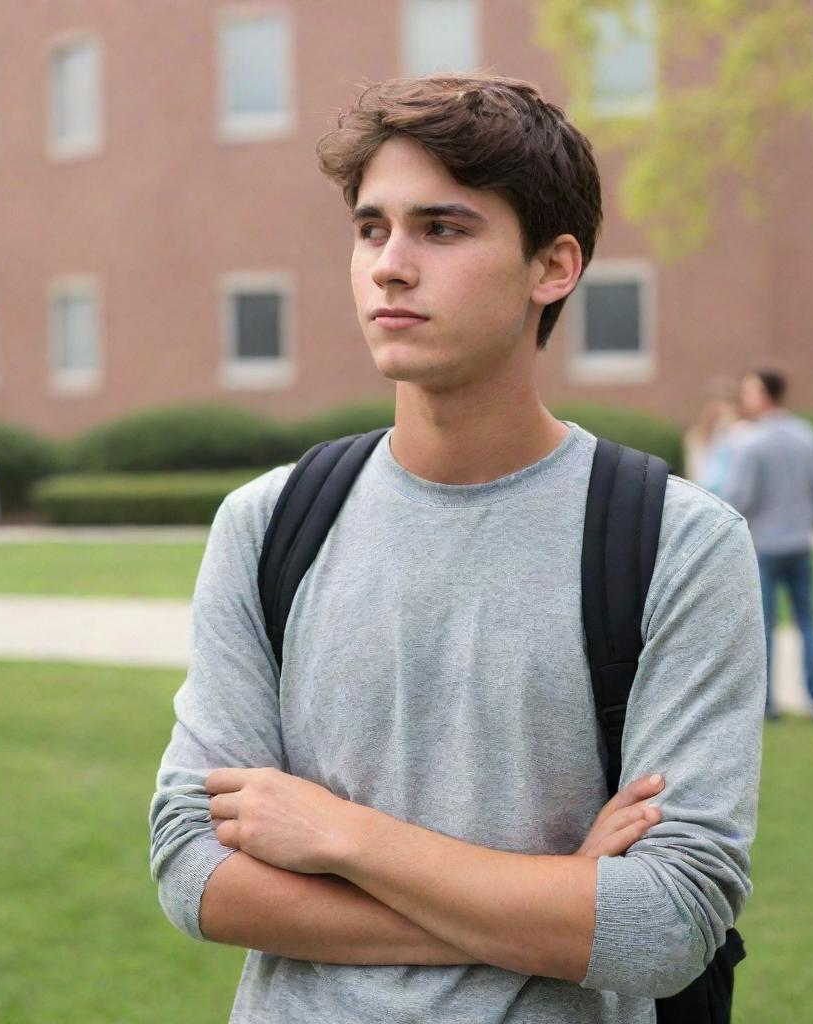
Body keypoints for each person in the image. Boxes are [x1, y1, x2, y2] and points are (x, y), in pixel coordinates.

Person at [149, 74, 766, 1023]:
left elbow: (667, 926)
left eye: (442, 229)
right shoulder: (269, 523)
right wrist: (558, 891)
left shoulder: (676, 544)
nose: (391, 265)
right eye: (370, 229)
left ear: (551, 268)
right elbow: (194, 871)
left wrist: (345, 838)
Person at [721, 370, 813, 721]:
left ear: (765, 395)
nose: (745, 398)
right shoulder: (806, 435)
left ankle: (767, 703)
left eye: (750, 391)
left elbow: (738, 498)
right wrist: (803, 521)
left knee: (764, 627)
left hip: (765, 547)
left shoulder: (750, 442)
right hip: (800, 542)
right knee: (808, 623)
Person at [683, 375, 754, 496]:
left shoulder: (744, 431)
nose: (719, 409)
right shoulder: (696, 437)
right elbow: (696, 476)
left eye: (726, 403)